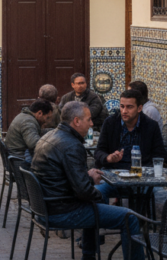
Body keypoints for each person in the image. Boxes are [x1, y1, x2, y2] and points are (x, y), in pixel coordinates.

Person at [31, 102, 143, 260]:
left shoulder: (49, 136)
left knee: (95, 202)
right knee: (129, 217)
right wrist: (98, 191)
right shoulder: (71, 145)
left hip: (45, 208)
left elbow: (65, 176)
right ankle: (89, 254)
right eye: (89, 119)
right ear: (76, 121)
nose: (91, 124)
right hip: (61, 212)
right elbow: (83, 192)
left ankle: (88, 255)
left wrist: (87, 177)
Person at [93, 89, 166, 199]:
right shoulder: (110, 123)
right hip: (113, 174)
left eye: (129, 107)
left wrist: (148, 169)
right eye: (122, 106)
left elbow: (160, 154)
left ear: (139, 108)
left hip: (141, 177)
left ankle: (144, 210)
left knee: (161, 196)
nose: (124, 111)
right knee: (97, 193)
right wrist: (108, 158)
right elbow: (99, 151)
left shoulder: (151, 126)